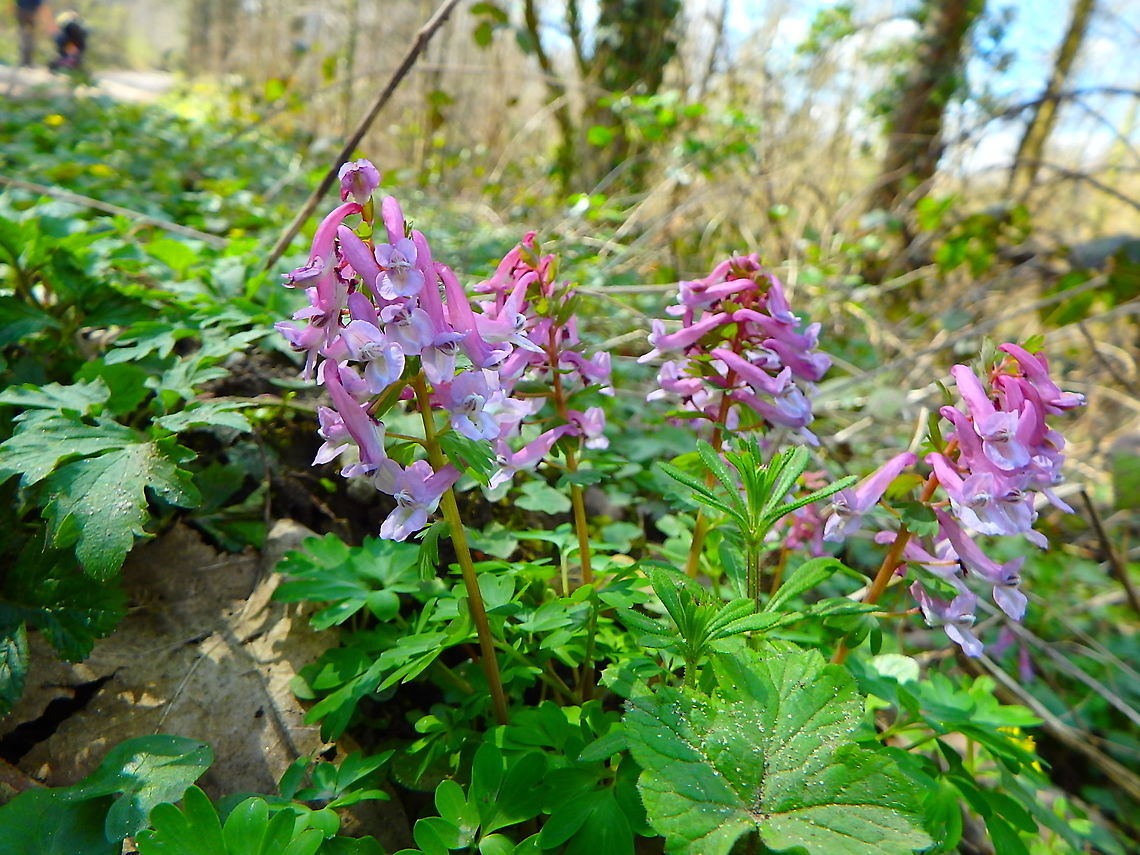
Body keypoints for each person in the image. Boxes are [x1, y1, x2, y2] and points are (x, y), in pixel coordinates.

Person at [14, 0, 44, 66]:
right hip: (30, 13)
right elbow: (39, 3)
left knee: (25, 37)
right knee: (28, 38)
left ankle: (25, 61)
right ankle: (27, 61)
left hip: (23, 12)